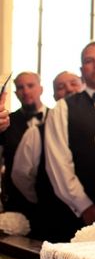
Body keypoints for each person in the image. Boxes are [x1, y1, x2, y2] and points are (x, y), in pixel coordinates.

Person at [44, 41, 95, 240]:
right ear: (82, 70)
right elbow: (58, 163)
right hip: (83, 215)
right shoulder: (64, 108)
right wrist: (84, 205)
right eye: (89, 61)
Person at [12, 71, 85, 239]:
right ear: (53, 95)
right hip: (55, 221)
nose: (68, 90)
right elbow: (21, 176)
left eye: (73, 84)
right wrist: (43, 197)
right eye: (61, 87)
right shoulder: (36, 133)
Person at [0, 72, 47, 215]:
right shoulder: (6, 121)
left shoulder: (57, 119)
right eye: (20, 87)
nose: (26, 91)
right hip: (16, 202)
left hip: (52, 202)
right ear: (15, 93)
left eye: (30, 86)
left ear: (41, 89)